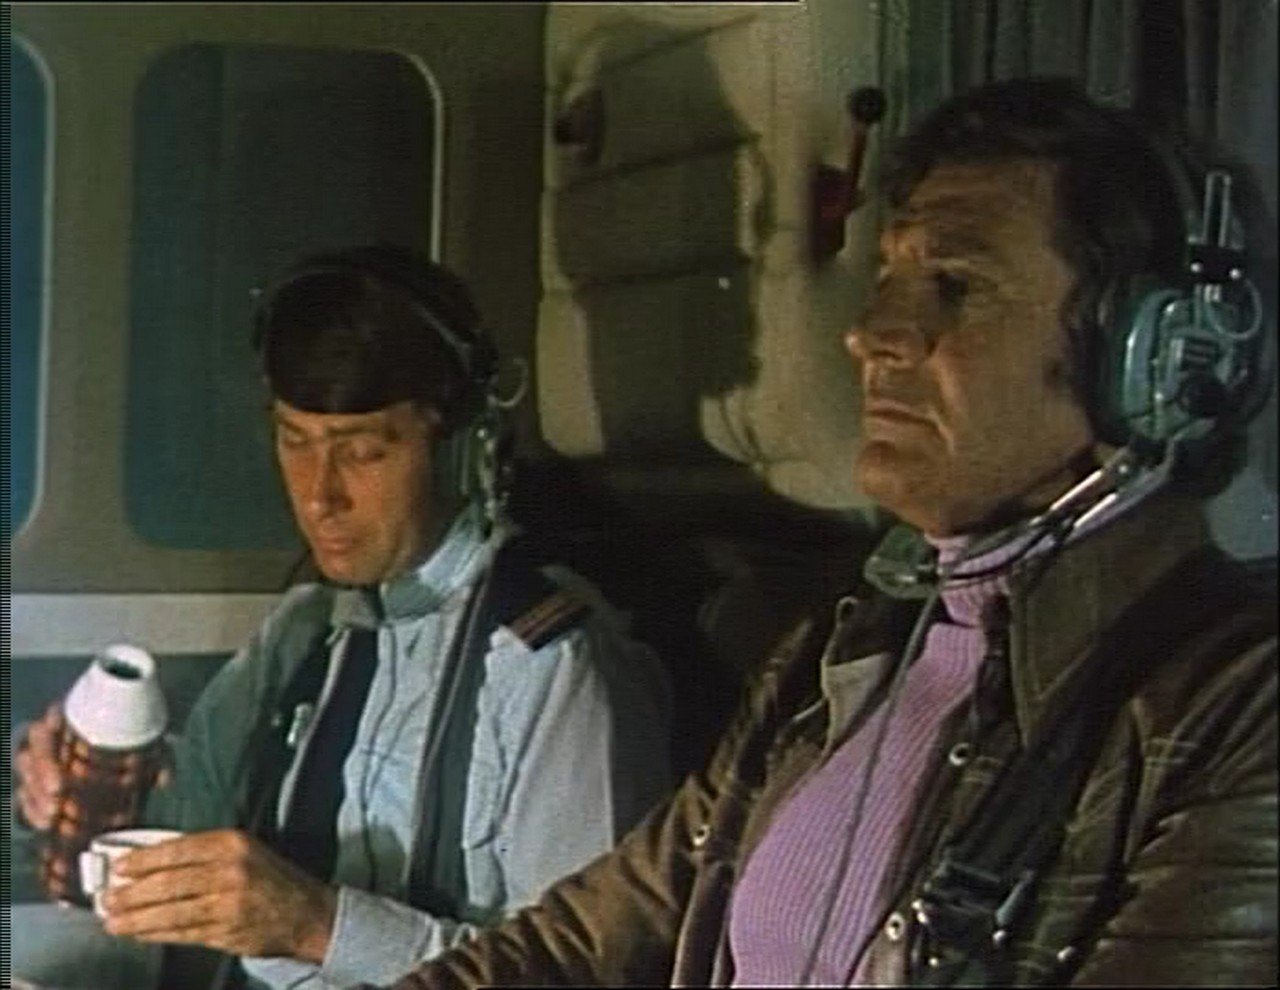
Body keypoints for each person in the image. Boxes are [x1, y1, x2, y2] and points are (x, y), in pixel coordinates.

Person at [358, 77, 1278, 989]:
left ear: (1157, 357)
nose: (871, 334)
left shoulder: (1238, 710)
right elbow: (586, 938)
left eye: (956, 286)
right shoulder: (848, 645)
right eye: (886, 280)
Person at [12, 244, 674, 989]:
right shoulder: (302, 634)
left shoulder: (557, 671)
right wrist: (88, 799)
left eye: (362, 452)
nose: (318, 494)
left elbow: (588, 974)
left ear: (461, 447)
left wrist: (318, 926)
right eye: (294, 441)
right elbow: (185, 819)